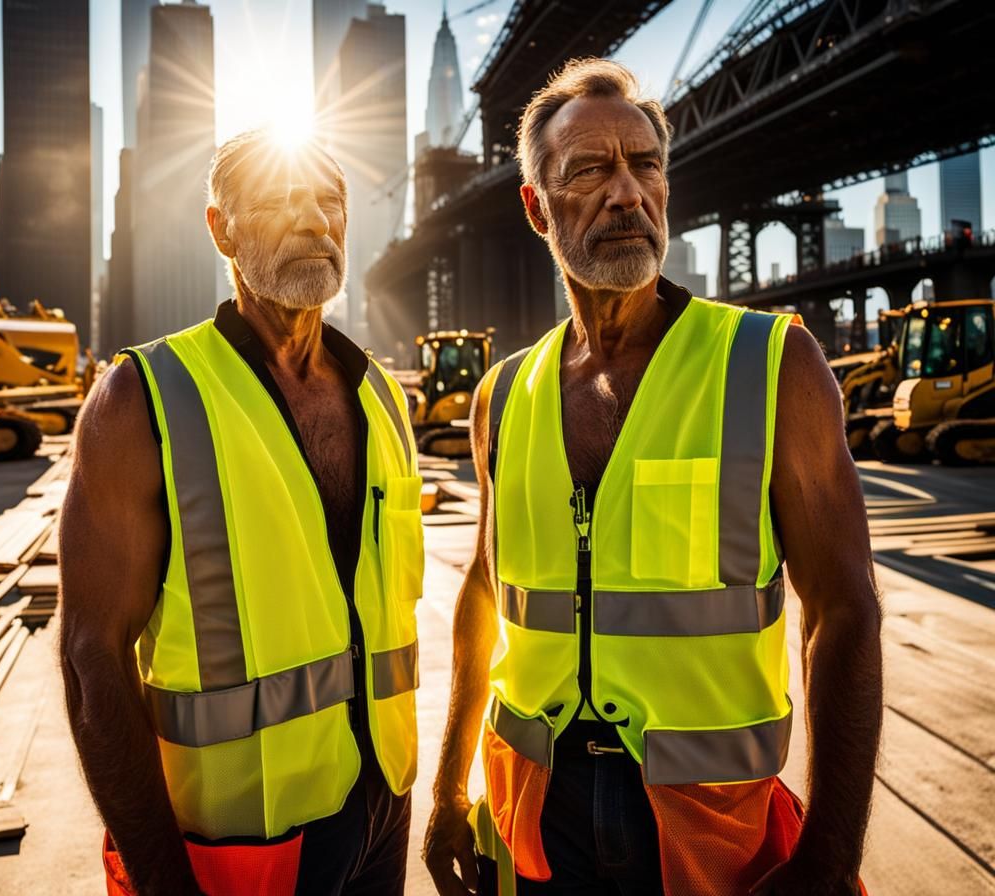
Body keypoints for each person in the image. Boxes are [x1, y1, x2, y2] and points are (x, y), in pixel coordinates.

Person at [423, 58, 882, 896]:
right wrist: (451, 787)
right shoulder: (504, 396)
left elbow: (846, 613)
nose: (627, 193)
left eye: (646, 164)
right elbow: (485, 599)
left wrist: (830, 857)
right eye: (591, 170)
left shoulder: (773, 365)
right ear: (535, 207)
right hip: (532, 816)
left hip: (707, 826)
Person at [60, 131, 424, 896]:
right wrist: (163, 880)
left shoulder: (382, 397)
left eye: (330, 200)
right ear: (220, 229)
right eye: (277, 201)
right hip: (232, 850)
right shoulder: (143, 398)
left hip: (382, 810)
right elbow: (92, 657)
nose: (313, 221)